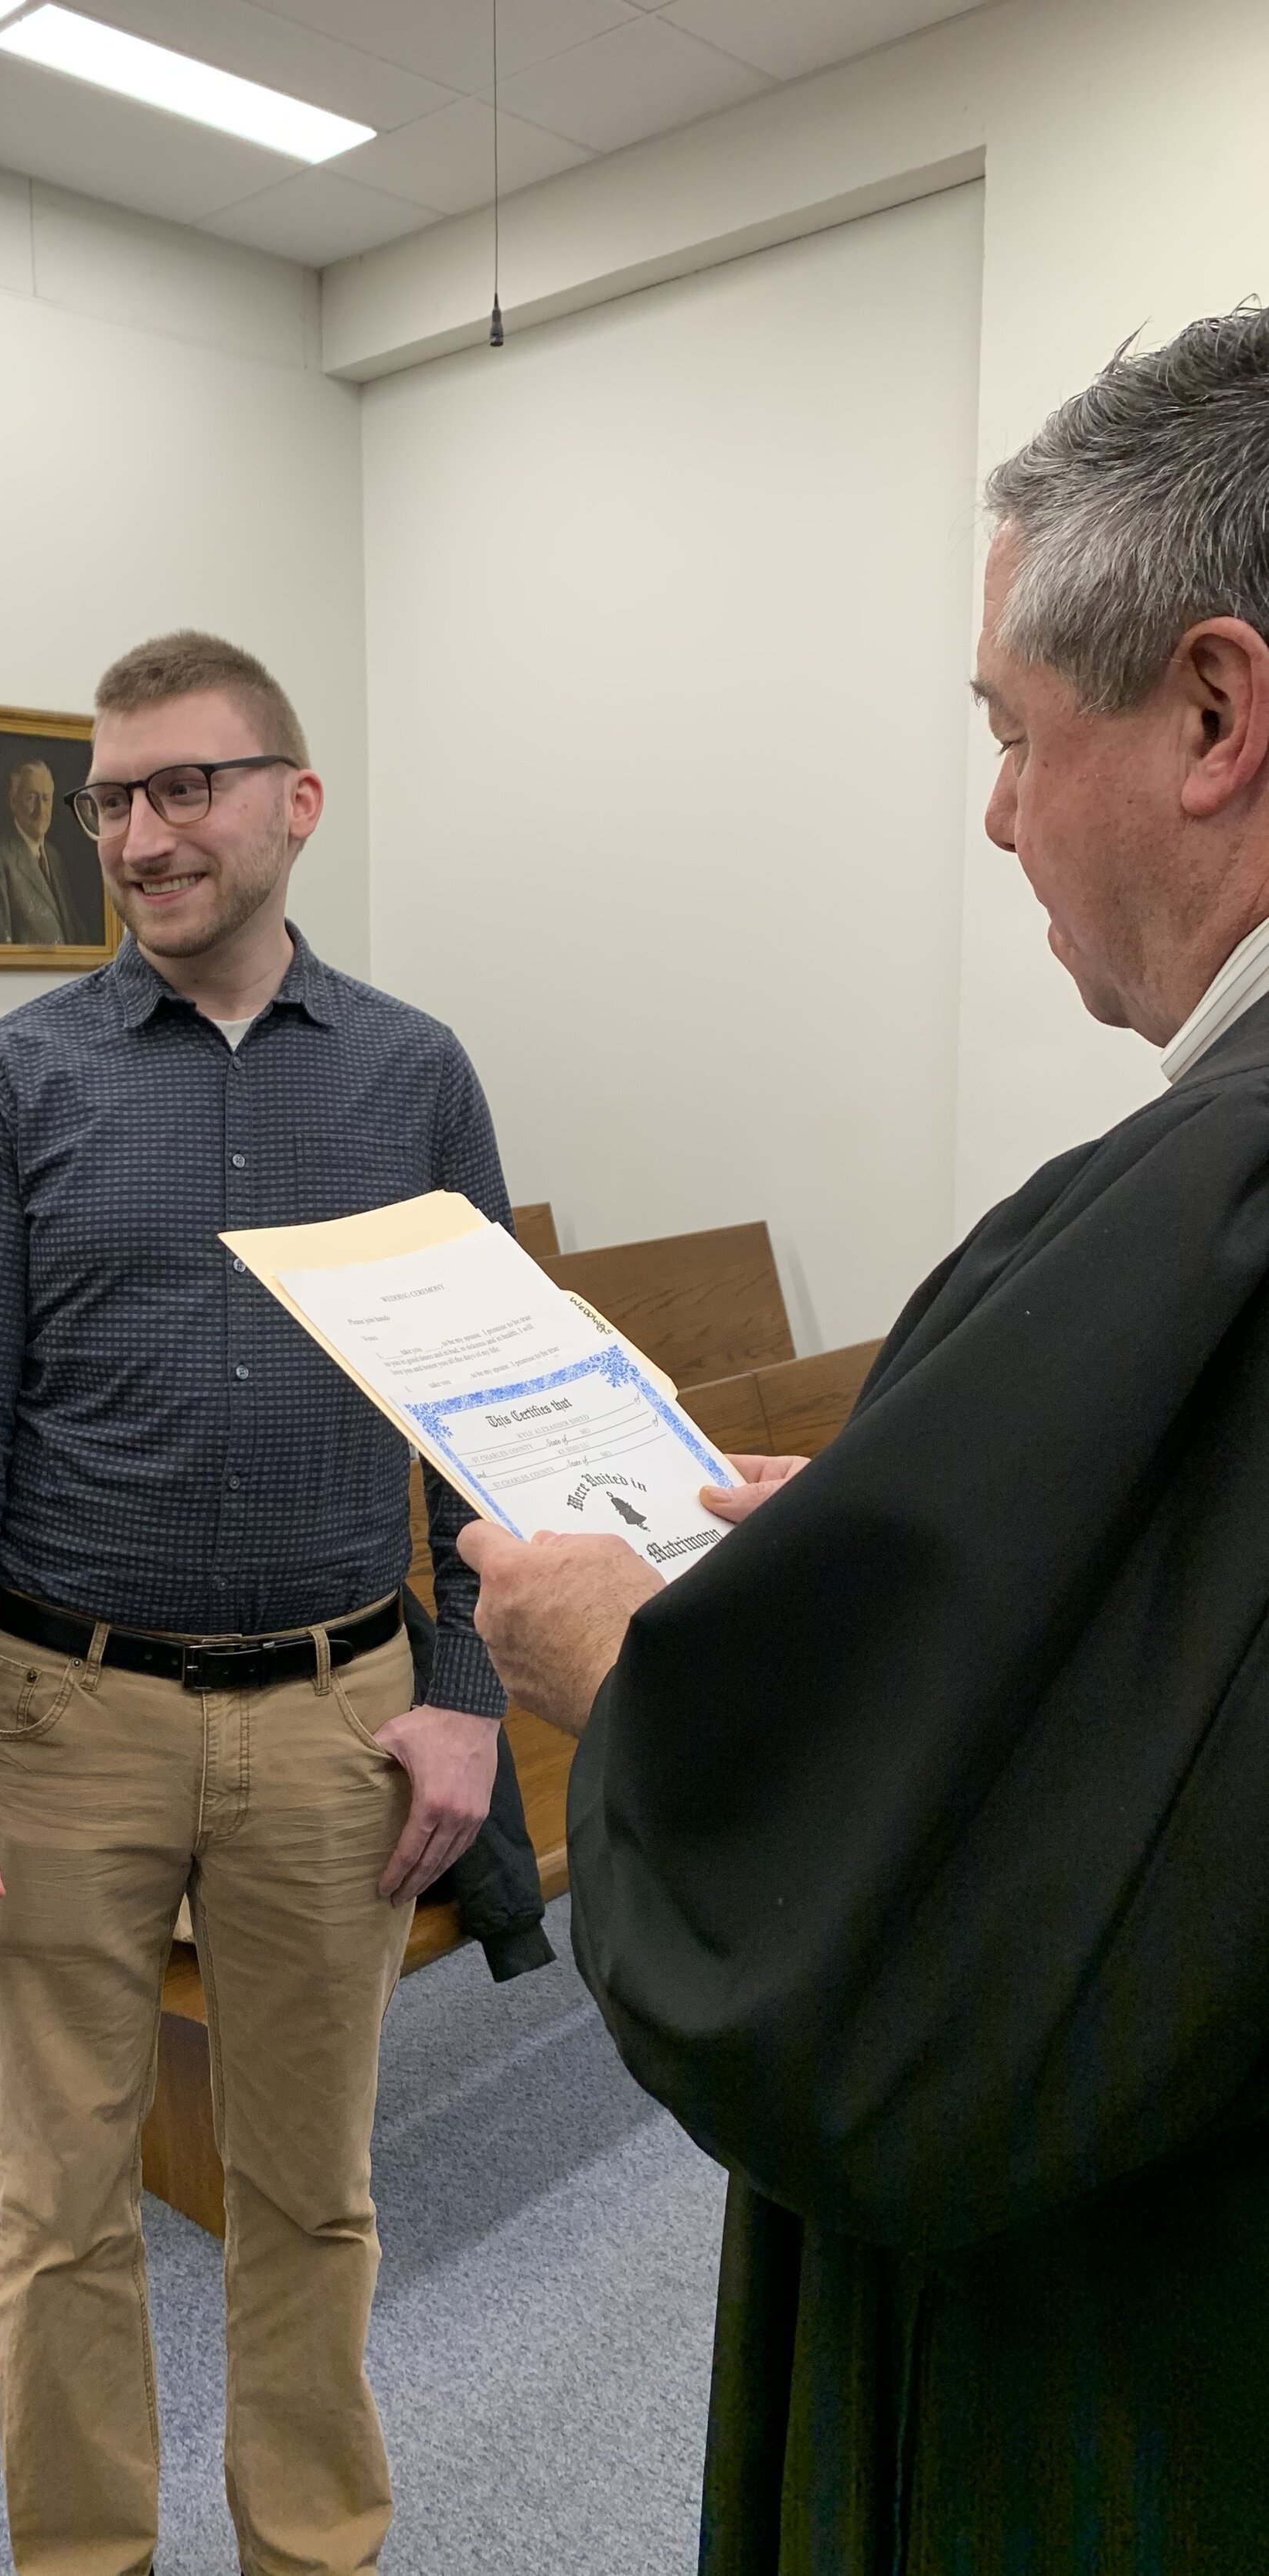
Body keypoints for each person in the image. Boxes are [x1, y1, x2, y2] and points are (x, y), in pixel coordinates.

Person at [460, 305, 1269, 2574]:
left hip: (1129, 2378)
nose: (994, 810)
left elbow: (910, 1964)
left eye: (1013, 734)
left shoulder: (1206, 1208)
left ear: (1208, 711)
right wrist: (905, 1562)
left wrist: (623, 1660)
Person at [0, 631, 512, 2576]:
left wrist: (465, 1683)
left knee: (311, 2191)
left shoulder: (413, 1076)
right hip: (66, 1715)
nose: (140, 836)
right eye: (110, 800)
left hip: (339, 1712)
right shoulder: (9, 1088)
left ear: (294, 803)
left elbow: (474, 1410)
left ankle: (310, 2543)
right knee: (61, 2200)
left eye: (184, 789)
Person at [0, 756, 105, 947]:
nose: (41, 809)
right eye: (31, 798)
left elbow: (73, 929)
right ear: (13, 802)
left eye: (46, 798)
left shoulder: (54, 856)